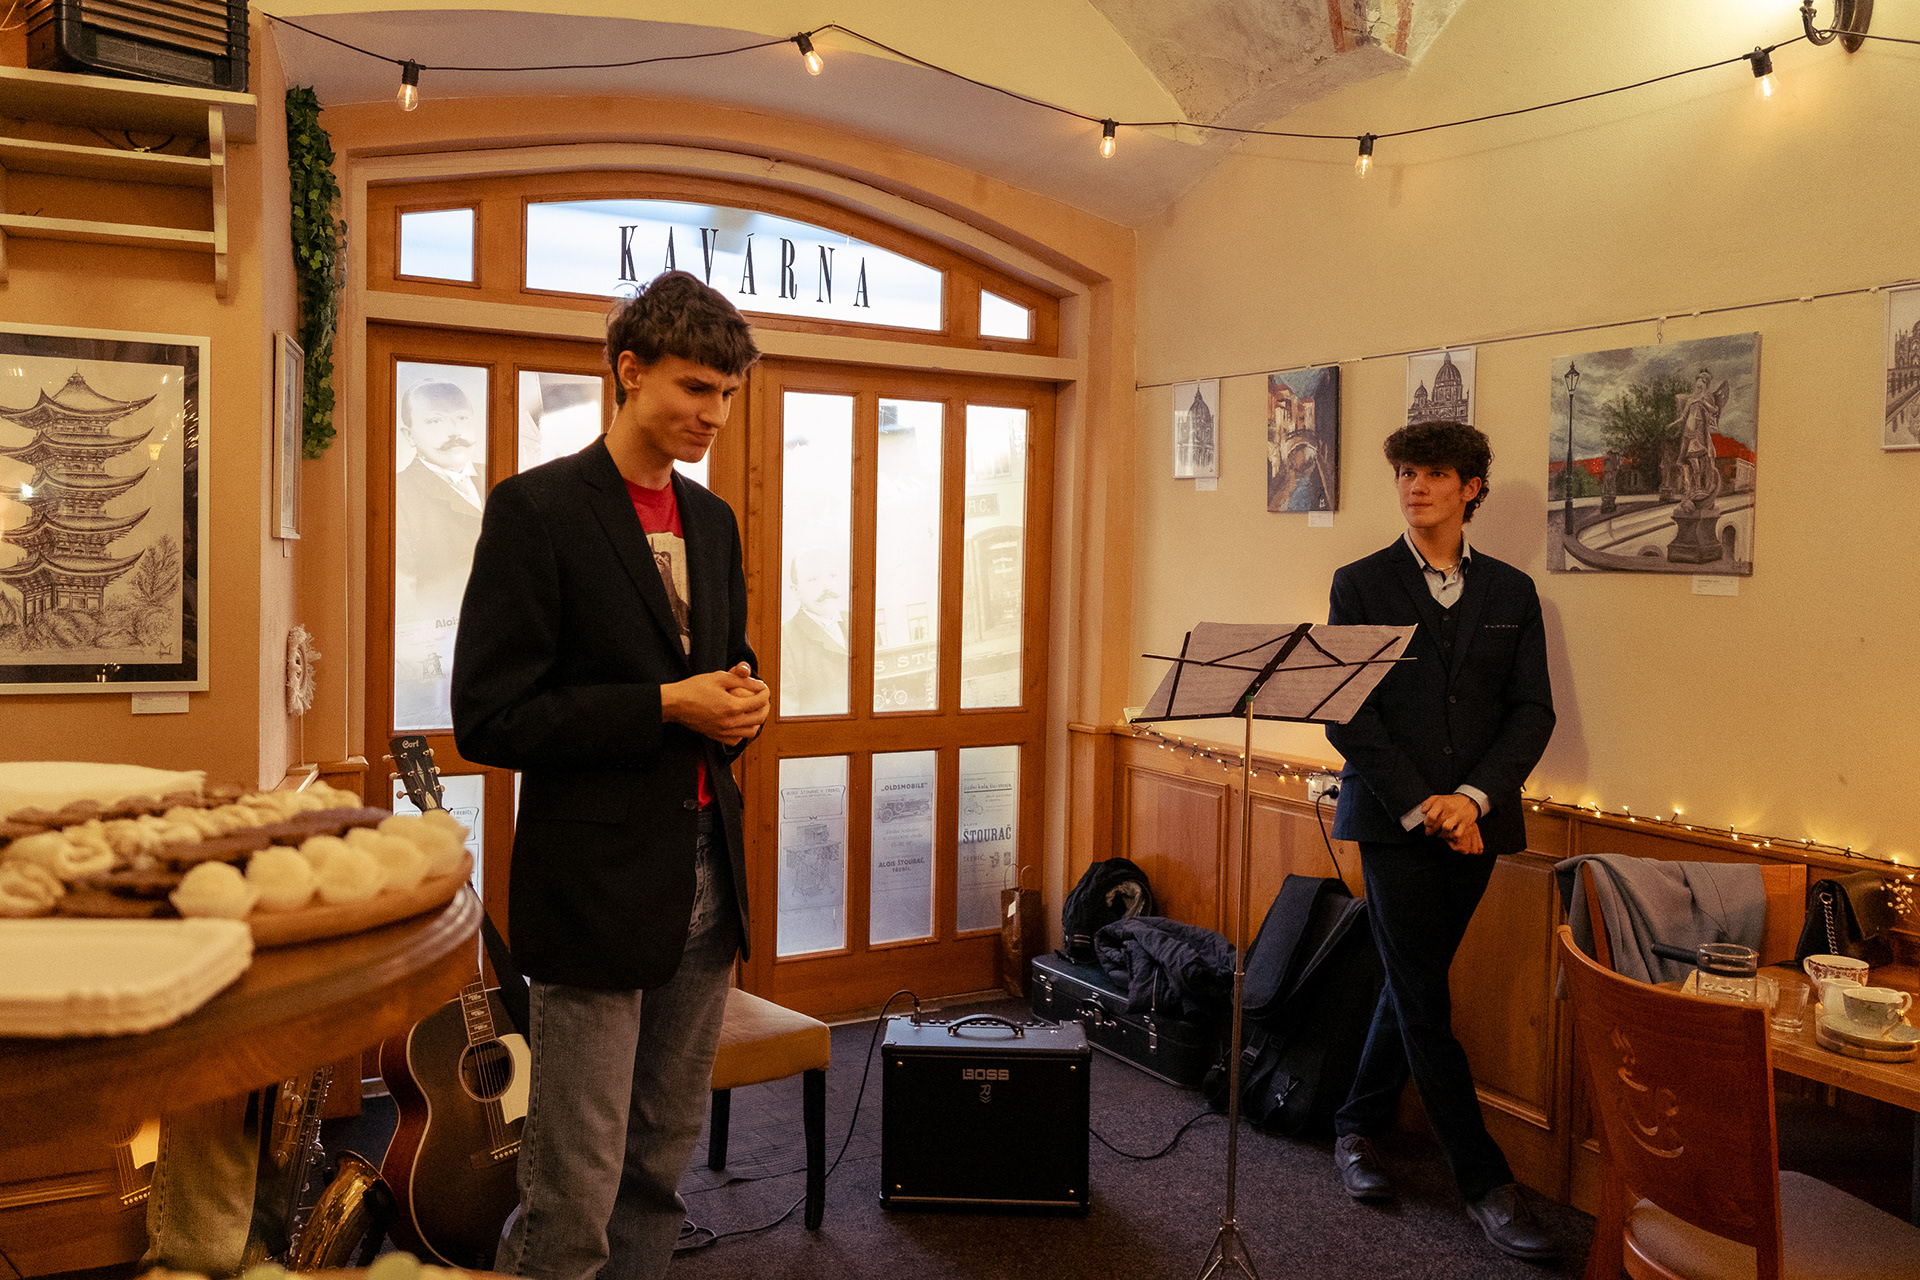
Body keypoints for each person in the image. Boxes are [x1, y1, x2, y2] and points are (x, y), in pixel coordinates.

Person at [452, 270, 768, 1280]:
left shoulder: (713, 522)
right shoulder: (537, 510)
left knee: (658, 1168)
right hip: (592, 883)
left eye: (726, 394)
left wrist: (742, 703)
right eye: (694, 387)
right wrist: (667, 705)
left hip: (708, 871)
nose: (713, 414)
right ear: (629, 371)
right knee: (575, 1186)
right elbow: (489, 716)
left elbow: (723, 664)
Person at [1323, 420, 1557, 1260]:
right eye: (1405, 473)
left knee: (1408, 980)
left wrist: (1470, 800)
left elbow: (1533, 712)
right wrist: (1424, 805)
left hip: (1478, 827)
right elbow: (1347, 715)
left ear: (1471, 489)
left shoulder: (1513, 593)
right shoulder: (1359, 584)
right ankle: (1485, 1181)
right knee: (1424, 994)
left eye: (1433, 474)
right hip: (1392, 824)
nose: (1415, 486)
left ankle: (1354, 1126)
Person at [779, 545, 849, 716]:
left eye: (832, 576)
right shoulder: (784, 640)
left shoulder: (859, 622)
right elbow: (788, 714)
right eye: (813, 579)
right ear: (796, 591)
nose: (826, 587)